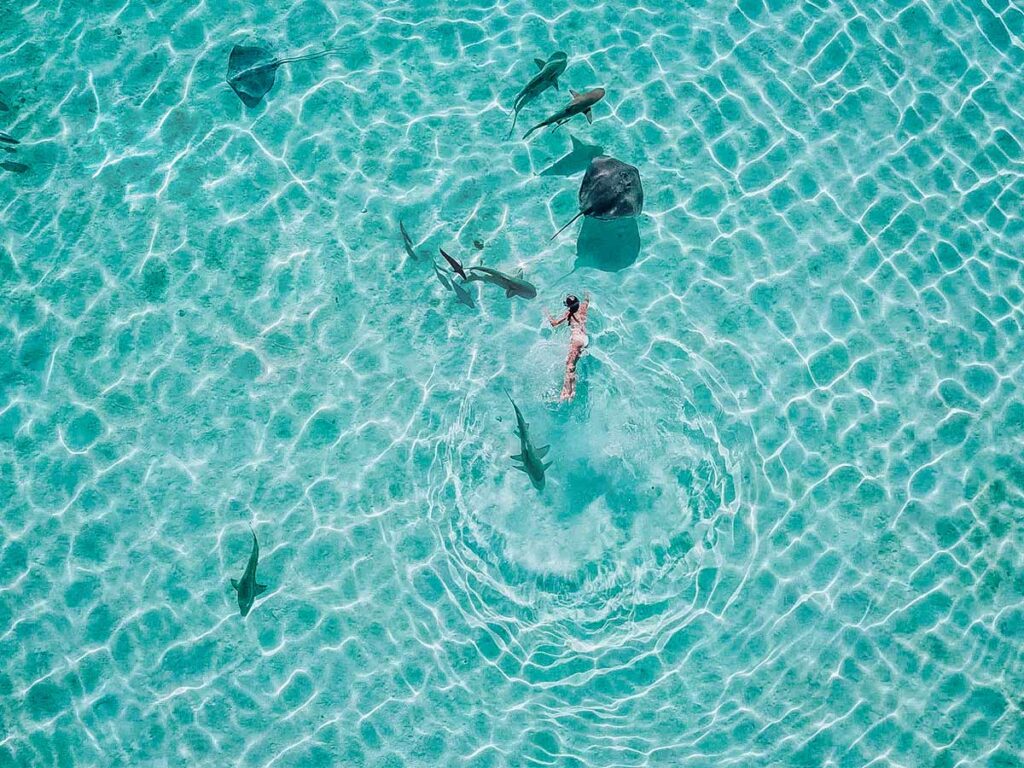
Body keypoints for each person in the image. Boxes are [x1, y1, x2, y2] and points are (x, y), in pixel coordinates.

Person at [546, 293, 590, 401]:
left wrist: (547, 313)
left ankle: (567, 393)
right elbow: (587, 299)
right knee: (572, 366)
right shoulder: (583, 308)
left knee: (569, 367)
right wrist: (586, 293)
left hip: (576, 340)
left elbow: (554, 323)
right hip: (585, 339)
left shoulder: (568, 313)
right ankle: (572, 390)